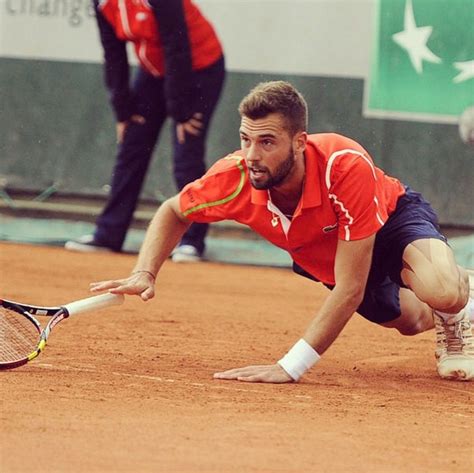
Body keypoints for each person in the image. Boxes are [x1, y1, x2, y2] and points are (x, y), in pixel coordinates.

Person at [90, 81, 474, 383]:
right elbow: (173, 210)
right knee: (414, 323)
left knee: (441, 289)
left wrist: (291, 366)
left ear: (300, 142)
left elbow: (350, 287)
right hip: (327, 257)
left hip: (392, 220)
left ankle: (462, 298)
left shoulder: (342, 165)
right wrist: (146, 271)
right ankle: (449, 309)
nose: (252, 155)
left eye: (267, 141)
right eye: (246, 139)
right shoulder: (236, 177)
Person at [66, 0, 225, 262]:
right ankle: (108, 235)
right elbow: (113, 53)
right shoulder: (102, 3)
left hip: (199, 70)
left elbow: (177, 46)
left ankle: (192, 241)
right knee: (131, 146)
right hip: (154, 71)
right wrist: (123, 111)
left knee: (186, 154)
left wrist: (181, 110)